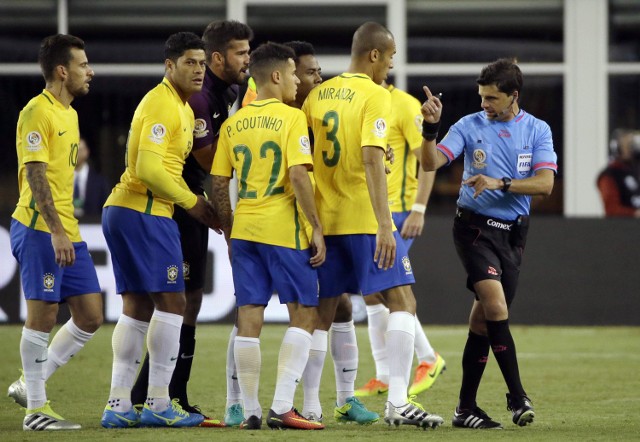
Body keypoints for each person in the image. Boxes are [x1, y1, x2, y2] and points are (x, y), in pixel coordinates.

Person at [302, 21, 444, 429]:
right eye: (391, 57)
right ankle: (398, 401)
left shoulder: (317, 94)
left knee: (323, 314)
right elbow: (369, 158)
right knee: (403, 302)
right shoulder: (376, 96)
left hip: (326, 221)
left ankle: (310, 406)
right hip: (364, 219)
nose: (392, 66)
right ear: (374, 55)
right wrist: (386, 224)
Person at [420, 58, 557, 429]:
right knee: (495, 307)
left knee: (483, 321)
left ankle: (465, 409)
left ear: (514, 97)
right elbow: (430, 163)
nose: (484, 104)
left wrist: (501, 183)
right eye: (482, 97)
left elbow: (545, 184)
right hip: (474, 230)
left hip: (513, 235)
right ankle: (517, 396)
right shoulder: (469, 125)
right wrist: (430, 127)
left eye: (492, 99)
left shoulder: (537, 130)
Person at [129, 20, 253, 428]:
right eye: (240, 52)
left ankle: (162, 394)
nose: (246, 59)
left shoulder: (227, 92)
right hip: (177, 204)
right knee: (175, 301)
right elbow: (208, 160)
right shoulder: (199, 101)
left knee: (188, 299)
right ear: (219, 58)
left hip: (188, 201)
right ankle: (155, 396)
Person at [100, 32, 218, 429]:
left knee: (137, 307)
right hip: (146, 211)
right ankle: (157, 402)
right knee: (174, 304)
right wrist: (193, 203)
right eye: (189, 62)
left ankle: (118, 405)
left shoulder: (181, 108)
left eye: (201, 63)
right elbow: (149, 170)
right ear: (169, 66)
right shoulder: (163, 104)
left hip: (127, 211)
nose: (198, 70)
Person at [210, 41, 325, 431]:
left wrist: (229, 231)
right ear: (276, 76)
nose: (296, 80)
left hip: (245, 230)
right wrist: (317, 227)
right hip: (283, 230)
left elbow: (218, 182)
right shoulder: (292, 119)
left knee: (249, 317)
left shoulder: (232, 123)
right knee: (305, 314)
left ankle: (251, 410)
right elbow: (298, 175)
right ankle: (281, 406)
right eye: (293, 73)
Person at [7, 34, 103, 431]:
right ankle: (36, 411)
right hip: (39, 228)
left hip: (67, 230)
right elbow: (35, 174)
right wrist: (57, 231)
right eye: (83, 65)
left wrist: (67, 231)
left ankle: (30, 384)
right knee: (43, 315)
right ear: (62, 70)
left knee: (90, 315)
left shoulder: (70, 113)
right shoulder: (36, 112)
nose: (90, 72)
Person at [354, 81, 445, 399]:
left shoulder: (404, 105)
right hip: (371, 212)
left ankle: (429, 358)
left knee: (389, 289)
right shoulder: (362, 101)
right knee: (371, 291)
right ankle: (384, 374)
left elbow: (428, 160)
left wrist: (419, 209)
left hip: (399, 212)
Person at [597, 128, 640, 217]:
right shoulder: (610, 175)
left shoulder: (634, 170)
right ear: (616, 148)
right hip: (624, 227)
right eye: (627, 145)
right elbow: (611, 210)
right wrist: (634, 213)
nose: (631, 149)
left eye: (631, 145)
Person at [72, 137, 110, 219]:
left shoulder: (100, 182)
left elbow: (105, 210)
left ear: (87, 152)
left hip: (93, 228)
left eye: (80, 150)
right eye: (73, 150)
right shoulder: (62, 180)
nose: (76, 154)